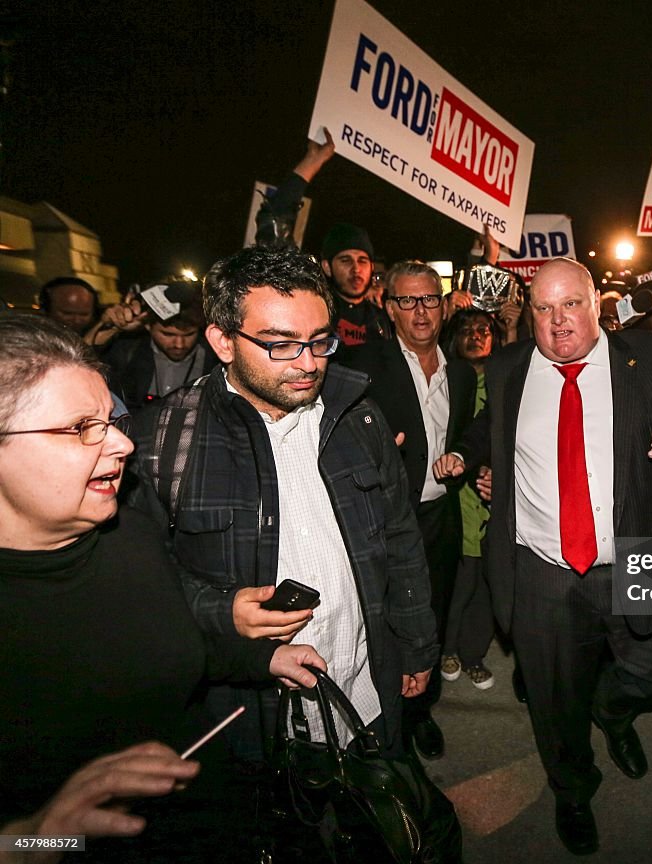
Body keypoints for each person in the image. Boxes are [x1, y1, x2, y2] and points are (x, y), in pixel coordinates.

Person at [0, 314, 325, 863]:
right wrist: (38, 836)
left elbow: (166, 638)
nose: (123, 445)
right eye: (81, 427)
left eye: (112, 420)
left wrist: (259, 659)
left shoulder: (130, 525)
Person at [434, 257, 652, 855]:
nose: (558, 321)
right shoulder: (510, 363)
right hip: (542, 568)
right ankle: (573, 790)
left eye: (571, 305)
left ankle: (612, 712)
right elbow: (491, 423)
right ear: (529, 312)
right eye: (543, 308)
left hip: (638, 550)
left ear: (598, 306)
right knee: (552, 701)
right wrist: (474, 458)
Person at [129, 246, 437, 764]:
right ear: (223, 341)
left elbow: (400, 537)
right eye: (281, 344)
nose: (309, 364)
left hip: (365, 690)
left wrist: (416, 641)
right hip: (254, 720)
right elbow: (136, 582)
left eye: (320, 341)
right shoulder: (161, 441)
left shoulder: (358, 415)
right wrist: (219, 610)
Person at [346, 262, 478, 760]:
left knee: (433, 617)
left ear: (444, 306)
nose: (420, 311)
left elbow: (464, 433)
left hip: (441, 517)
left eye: (429, 300)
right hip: (381, 521)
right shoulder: (361, 366)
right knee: (377, 621)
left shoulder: (461, 373)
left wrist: (467, 458)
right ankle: (380, 719)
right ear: (389, 306)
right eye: (407, 300)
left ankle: (422, 712)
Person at [439, 308, 501, 691]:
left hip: (496, 498)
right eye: (467, 330)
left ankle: (474, 653)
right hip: (458, 495)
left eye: (484, 330)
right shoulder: (447, 382)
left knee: (486, 583)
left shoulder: (506, 381)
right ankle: (448, 649)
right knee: (459, 579)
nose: (476, 336)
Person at [98, 282, 217, 412]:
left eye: (189, 334)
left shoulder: (215, 359)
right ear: (148, 326)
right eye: (168, 334)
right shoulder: (127, 352)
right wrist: (111, 328)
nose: (179, 344)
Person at [320, 222, 391, 346]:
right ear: (327, 267)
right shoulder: (318, 312)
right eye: (346, 261)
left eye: (362, 261)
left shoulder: (384, 315)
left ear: (371, 267)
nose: (356, 269)